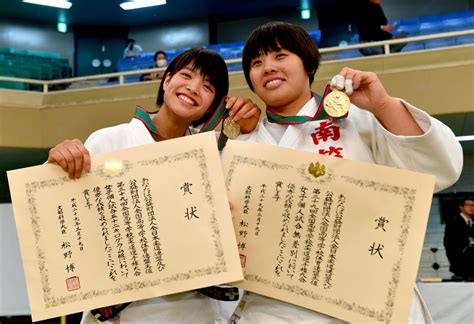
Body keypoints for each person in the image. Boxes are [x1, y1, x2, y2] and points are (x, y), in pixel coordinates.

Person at [231, 21, 463, 323]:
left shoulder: (357, 119)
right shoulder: (241, 142)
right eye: (256, 62)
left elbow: (436, 169)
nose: (268, 67)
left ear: (309, 63)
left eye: (280, 55)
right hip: (276, 310)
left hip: (365, 301)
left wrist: (382, 105)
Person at [47, 48, 261, 323]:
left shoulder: (214, 154)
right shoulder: (108, 142)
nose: (194, 88)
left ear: (213, 106)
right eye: (186, 75)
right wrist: (59, 163)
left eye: (207, 87)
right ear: (166, 80)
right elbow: (66, 217)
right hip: (125, 312)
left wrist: (249, 131)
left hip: (194, 311)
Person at [444, 198, 474, 280]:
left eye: (473, 205)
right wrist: (454, 263)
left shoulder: (472, 222)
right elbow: (449, 245)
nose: (472, 207)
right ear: (461, 207)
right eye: (469, 205)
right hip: (459, 266)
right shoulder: (453, 222)